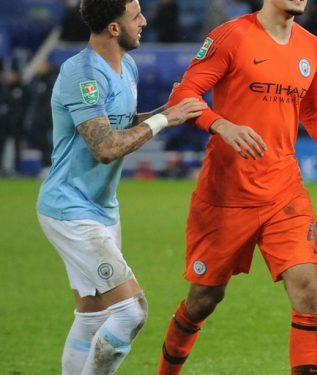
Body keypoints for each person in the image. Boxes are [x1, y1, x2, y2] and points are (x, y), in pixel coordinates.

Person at [157, 0, 317, 374]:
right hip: (226, 194)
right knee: (203, 298)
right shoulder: (230, 37)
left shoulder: (312, 46)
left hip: (284, 190)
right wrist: (221, 125)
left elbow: (312, 112)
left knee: (308, 287)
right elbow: (183, 96)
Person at [35, 0, 206, 374]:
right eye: (135, 17)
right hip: (70, 209)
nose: (144, 22)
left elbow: (121, 125)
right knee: (131, 312)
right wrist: (165, 118)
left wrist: (168, 111)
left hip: (102, 208)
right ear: (114, 28)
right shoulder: (82, 74)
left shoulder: (125, 65)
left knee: (92, 314)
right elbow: (105, 147)